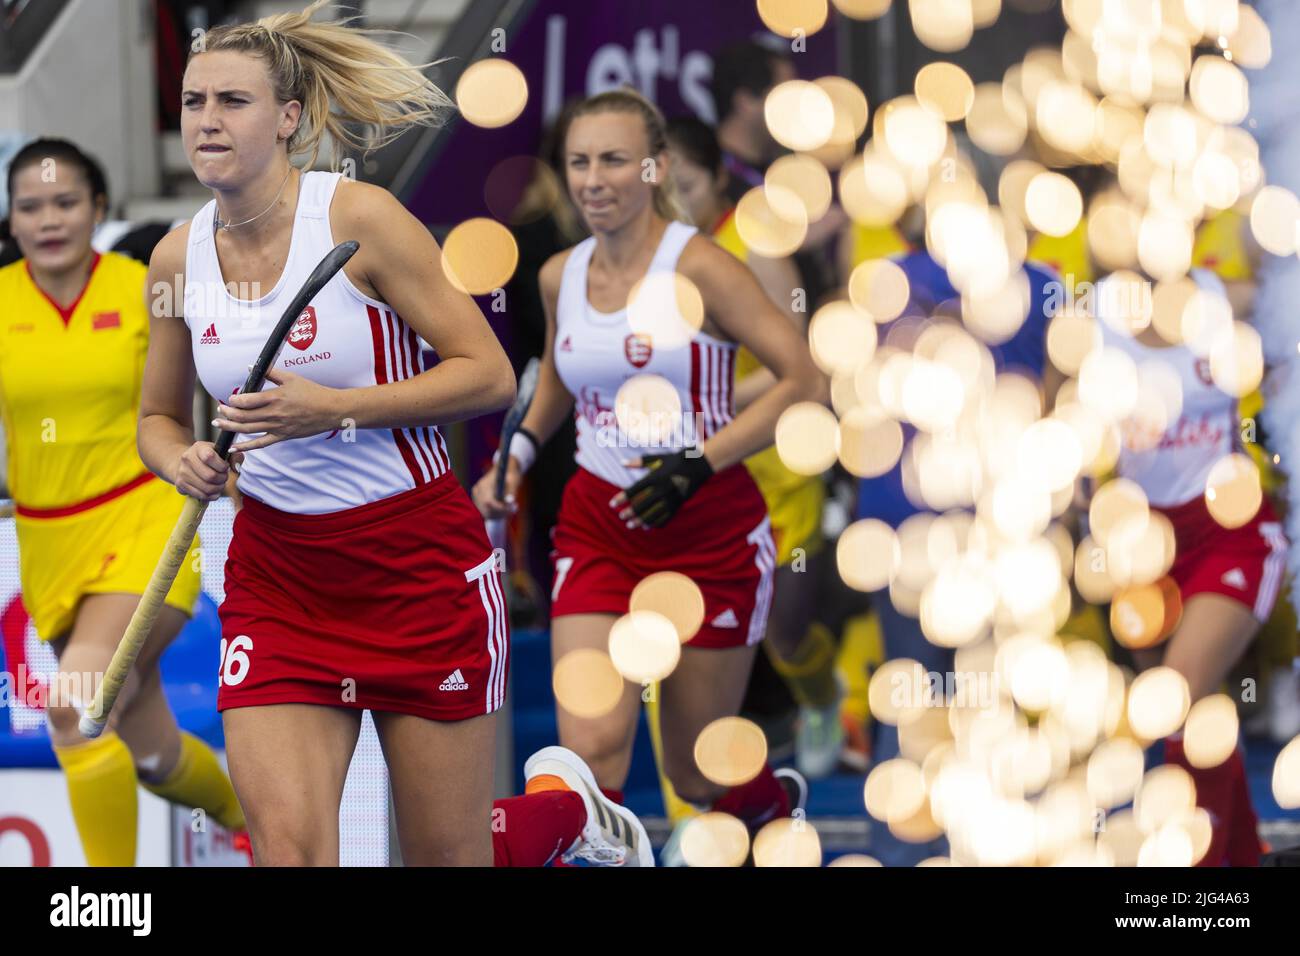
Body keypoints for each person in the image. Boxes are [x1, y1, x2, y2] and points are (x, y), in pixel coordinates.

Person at [136, 0, 516, 866]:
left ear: (290, 118)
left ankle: (559, 820)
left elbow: (487, 373)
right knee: (293, 855)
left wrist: (336, 409)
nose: (206, 121)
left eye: (232, 101)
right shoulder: (172, 260)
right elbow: (158, 421)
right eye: (194, 102)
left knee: (448, 856)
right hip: (281, 577)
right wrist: (181, 461)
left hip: (417, 566)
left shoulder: (359, 218)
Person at [474, 88, 823, 866]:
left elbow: (806, 380)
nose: (593, 179)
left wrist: (702, 460)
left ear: (654, 167)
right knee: (590, 757)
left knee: (695, 773)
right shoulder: (561, 275)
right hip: (598, 525)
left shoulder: (702, 266)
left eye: (612, 160)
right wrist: (519, 457)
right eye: (578, 163)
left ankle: (772, 805)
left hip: (710, 532)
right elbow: (563, 381)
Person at [0, 137, 245, 865]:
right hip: (47, 546)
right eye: (31, 206)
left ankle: (110, 906)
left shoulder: (146, 286)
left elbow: (200, 388)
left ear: (98, 209)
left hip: (145, 523)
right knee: (152, 751)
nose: (49, 220)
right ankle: (250, 824)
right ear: (10, 219)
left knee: (76, 704)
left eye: (66, 202)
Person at [666, 115, 842, 779]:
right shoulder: (657, 251)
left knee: (785, 629)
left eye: (684, 182)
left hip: (777, 463)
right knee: (694, 635)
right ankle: (706, 786)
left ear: (715, 177)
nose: (672, 198)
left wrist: (712, 400)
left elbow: (797, 368)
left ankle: (823, 698)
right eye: (661, 183)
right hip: (701, 471)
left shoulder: (752, 240)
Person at [1094, 266, 1284, 866]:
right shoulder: (1090, 317)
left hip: (1231, 533)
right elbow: (1055, 414)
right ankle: (1243, 857)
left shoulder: (1222, 297)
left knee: (1175, 703)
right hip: (1141, 546)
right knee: (1191, 714)